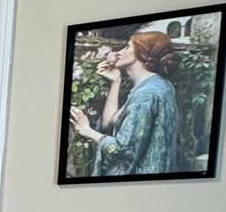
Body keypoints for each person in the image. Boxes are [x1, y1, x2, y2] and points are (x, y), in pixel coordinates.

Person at [68, 29, 181, 176]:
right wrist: (116, 81)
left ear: (143, 53)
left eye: (127, 47)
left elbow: (125, 149)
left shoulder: (147, 94)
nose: (119, 52)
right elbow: (109, 123)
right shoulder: (156, 86)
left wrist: (87, 130)